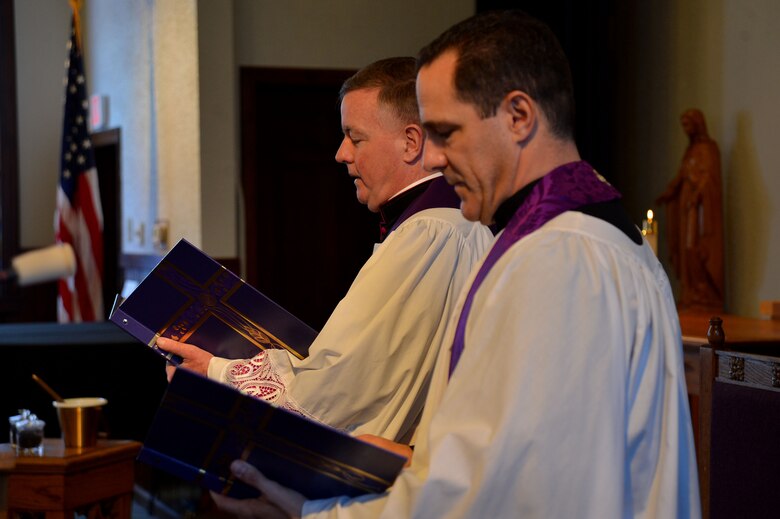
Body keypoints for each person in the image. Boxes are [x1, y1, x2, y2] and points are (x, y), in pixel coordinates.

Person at [209, 10, 701, 519]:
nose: (436, 158)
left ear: (518, 116)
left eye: (447, 131)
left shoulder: (556, 260)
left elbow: (491, 493)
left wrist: (314, 512)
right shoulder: (613, 239)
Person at [159, 57, 493, 444]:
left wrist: (216, 371)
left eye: (356, 137)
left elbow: (339, 390)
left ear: (411, 141)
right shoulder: (459, 219)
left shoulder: (426, 235)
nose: (341, 153)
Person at [656, 108, 724, 311]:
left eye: (687, 124)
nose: (685, 130)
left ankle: (703, 292)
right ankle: (692, 292)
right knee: (686, 251)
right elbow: (681, 176)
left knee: (694, 247)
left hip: (700, 206)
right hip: (686, 205)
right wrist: (669, 193)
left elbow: (710, 178)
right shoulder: (690, 151)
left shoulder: (709, 149)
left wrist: (698, 193)